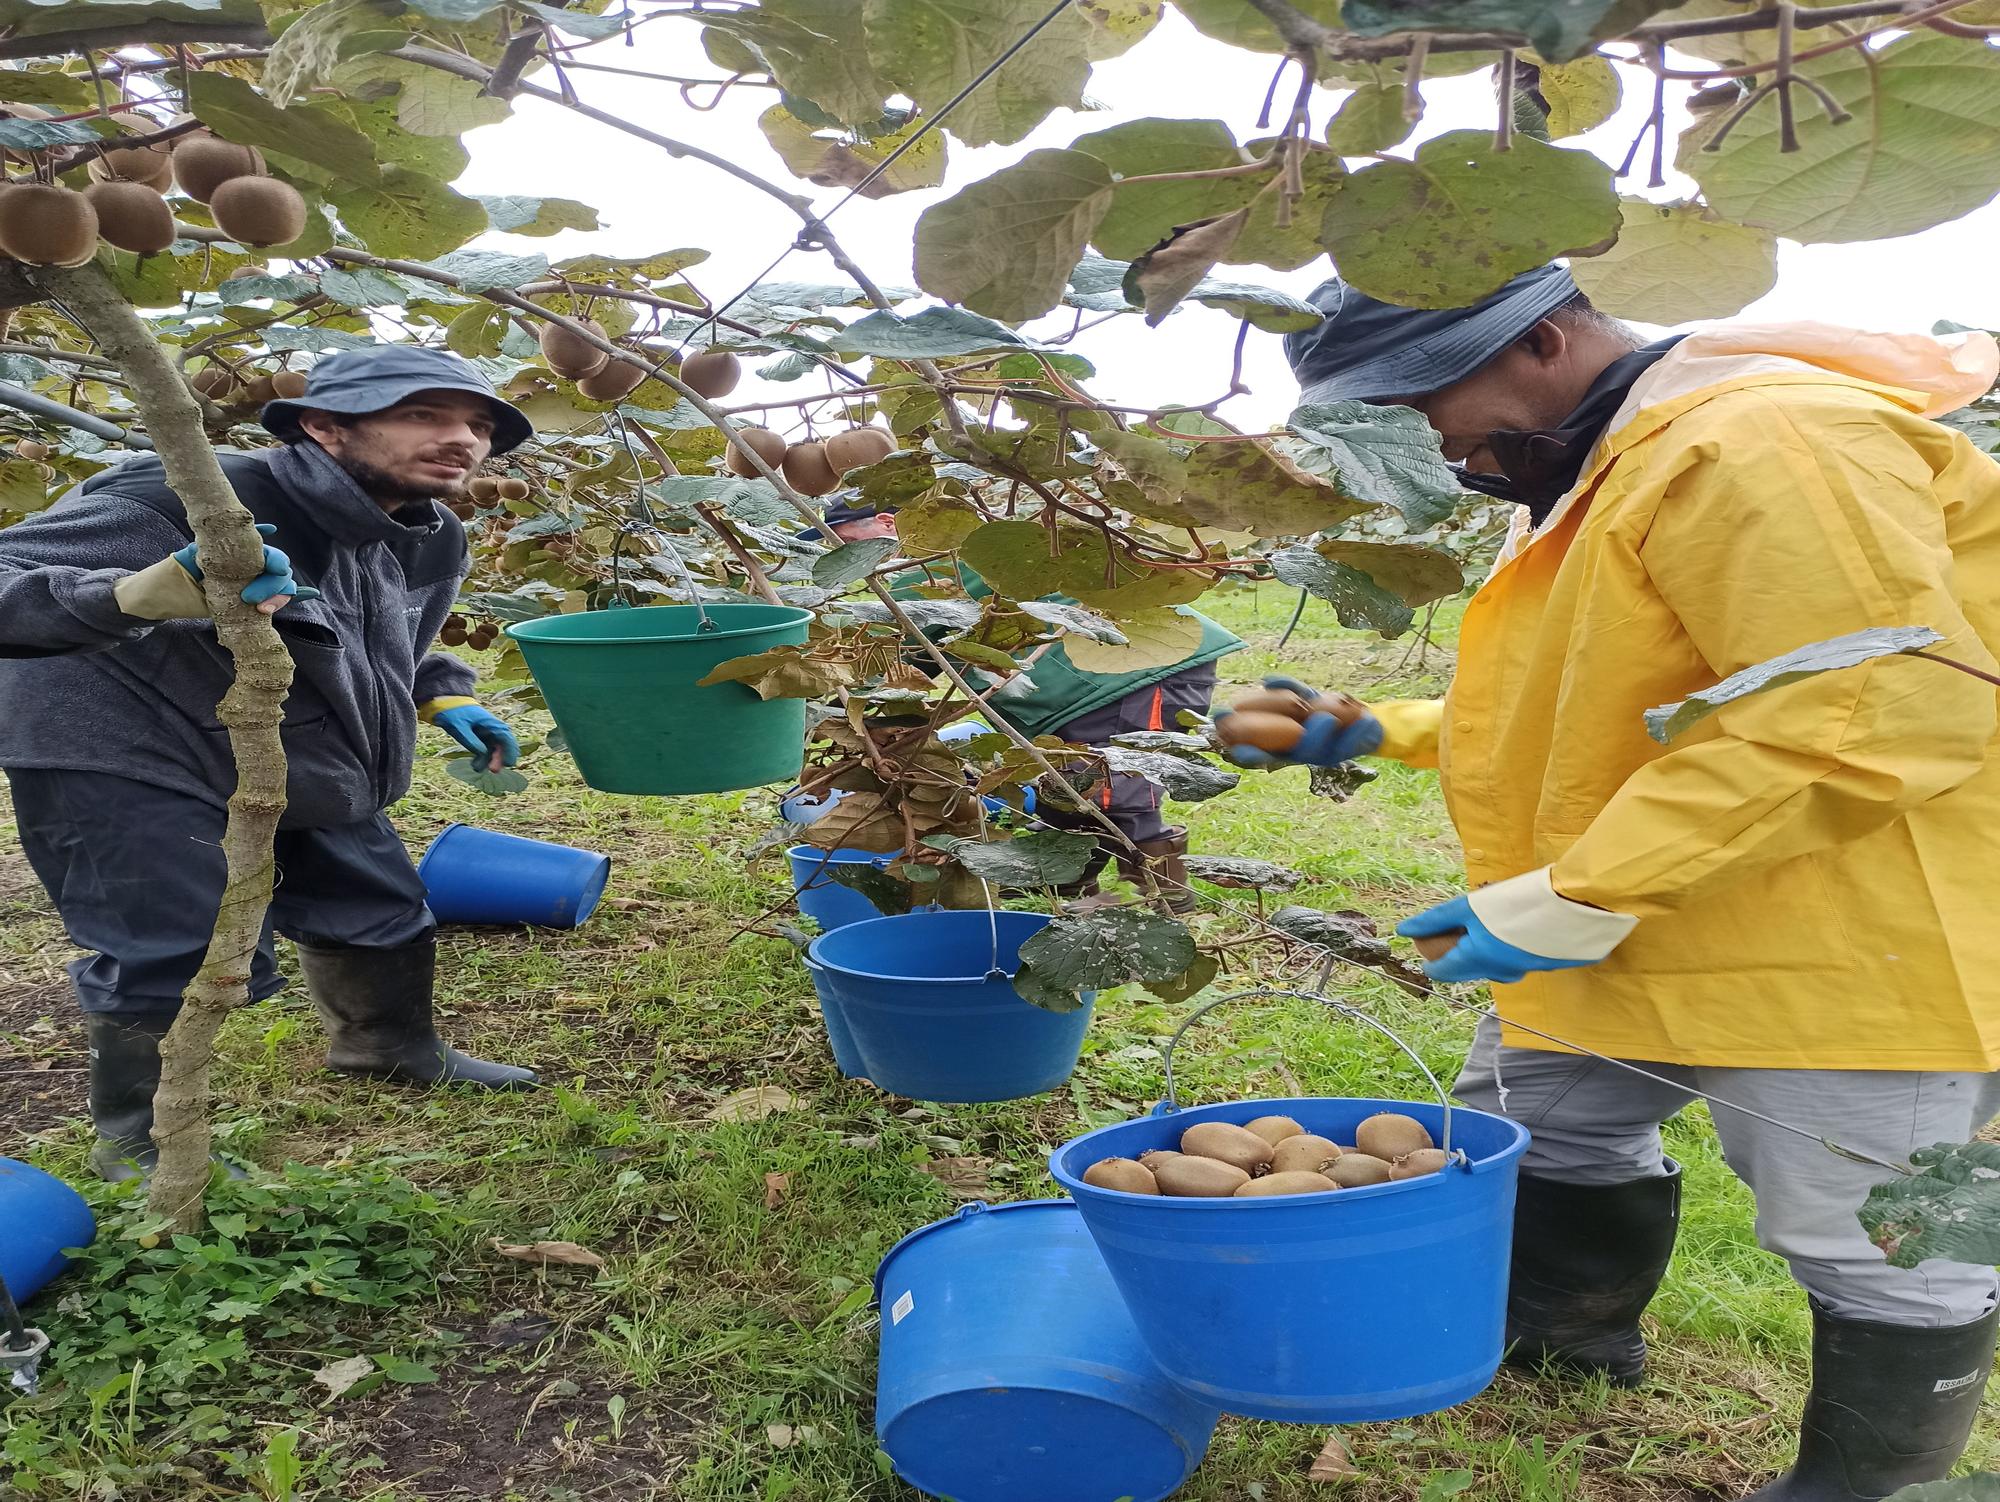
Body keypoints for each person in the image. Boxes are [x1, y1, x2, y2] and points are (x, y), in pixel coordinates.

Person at [1228, 263, 2000, 1499]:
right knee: (1540, 1122)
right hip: (1639, 889)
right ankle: (1567, 1322)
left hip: (1842, 920)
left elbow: (1862, 715)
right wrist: (1376, 724)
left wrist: (1562, 899)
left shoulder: (1764, 439)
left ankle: (1864, 1485)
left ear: (1540, 340)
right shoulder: (1605, 461)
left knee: (1876, 1233)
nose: (1435, 451)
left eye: (1428, 411)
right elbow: (1599, 693)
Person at [0, 345, 542, 1182]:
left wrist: (441, 691)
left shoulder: (429, 535)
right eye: (423, 415)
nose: (462, 439)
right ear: (324, 426)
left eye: (476, 424)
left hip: (293, 728)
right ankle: (137, 1140)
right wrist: (134, 595)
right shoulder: (193, 498)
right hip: (127, 738)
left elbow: (391, 631)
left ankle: (388, 1047)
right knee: (168, 946)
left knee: (377, 897)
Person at [817, 502, 1246, 909]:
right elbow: (914, 665)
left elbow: (896, 659)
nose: (843, 554)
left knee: (1120, 789)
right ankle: (1066, 885)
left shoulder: (932, 569)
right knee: (1064, 790)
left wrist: (835, 714)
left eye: (847, 541)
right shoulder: (940, 565)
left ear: (888, 524)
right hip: (1083, 688)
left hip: (1137, 669)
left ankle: (1162, 897)